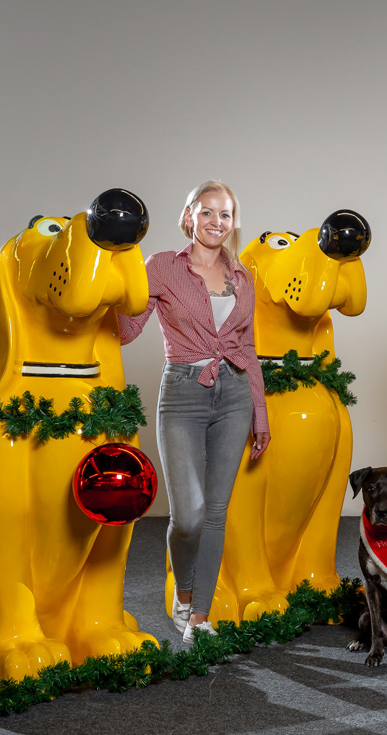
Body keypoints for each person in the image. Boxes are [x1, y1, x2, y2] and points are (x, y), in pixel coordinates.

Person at [119, 180, 271, 646]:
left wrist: (259, 414)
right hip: (183, 392)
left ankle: (198, 618)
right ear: (189, 216)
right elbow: (125, 331)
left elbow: (247, 348)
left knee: (216, 513)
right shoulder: (162, 266)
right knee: (189, 515)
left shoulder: (242, 276)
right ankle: (184, 592)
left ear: (233, 222)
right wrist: (119, 269)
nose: (216, 223)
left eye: (225, 215)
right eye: (207, 213)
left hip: (234, 393)